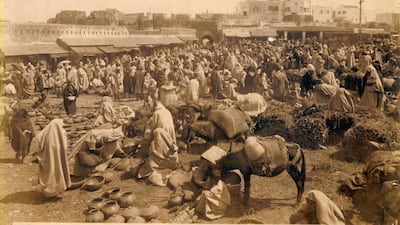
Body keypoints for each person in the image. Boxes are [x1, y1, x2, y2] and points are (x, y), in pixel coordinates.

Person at [137, 99, 178, 186]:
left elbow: (154, 126)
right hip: (169, 130)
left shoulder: (156, 113)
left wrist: (149, 138)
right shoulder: (166, 111)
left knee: (159, 142)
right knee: (168, 141)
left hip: (161, 130)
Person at [35, 119, 71, 198]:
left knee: (49, 175)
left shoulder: (46, 132)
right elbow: (65, 146)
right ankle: (54, 192)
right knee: (57, 173)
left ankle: (48, 193)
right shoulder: (60, 135)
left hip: (47, 160)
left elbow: (38, 140)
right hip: (56, 160)